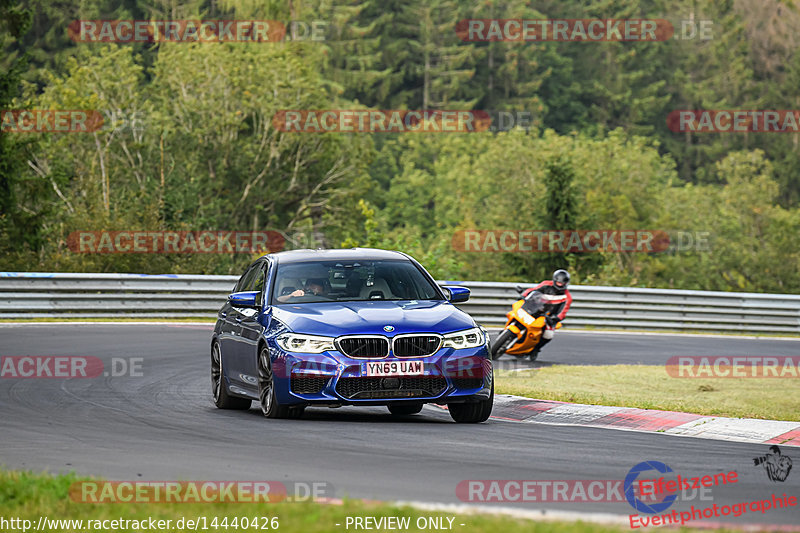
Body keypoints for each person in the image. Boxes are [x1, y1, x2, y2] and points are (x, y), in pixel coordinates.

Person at [520, 269, 572, 360]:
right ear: (554, 280)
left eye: (562, 283)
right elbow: (533, 290)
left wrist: (556, 318)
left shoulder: (567, 297)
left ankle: (535, 350)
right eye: (558, 282)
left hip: (549, 316)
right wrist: (524, 295)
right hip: (536, 308)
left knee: (549, 334)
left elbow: (563, 311)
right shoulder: (546, 284)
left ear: (566, 283)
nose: (560, 284)